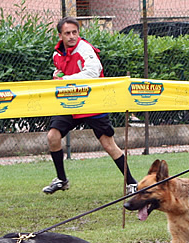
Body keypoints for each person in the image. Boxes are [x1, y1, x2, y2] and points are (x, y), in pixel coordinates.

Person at [43, 16, 137, 195]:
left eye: (74, 32)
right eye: (67, 33)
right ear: (60, 35)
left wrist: (64, 80)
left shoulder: (85, 49)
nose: (71, 36)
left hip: (93, 102)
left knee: (108, 144)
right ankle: (61, 180)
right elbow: (60, 72)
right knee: (52, 137)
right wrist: (57, 76)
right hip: (70, 103)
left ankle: (131, 183)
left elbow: (93, 72)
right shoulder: (57, 53)